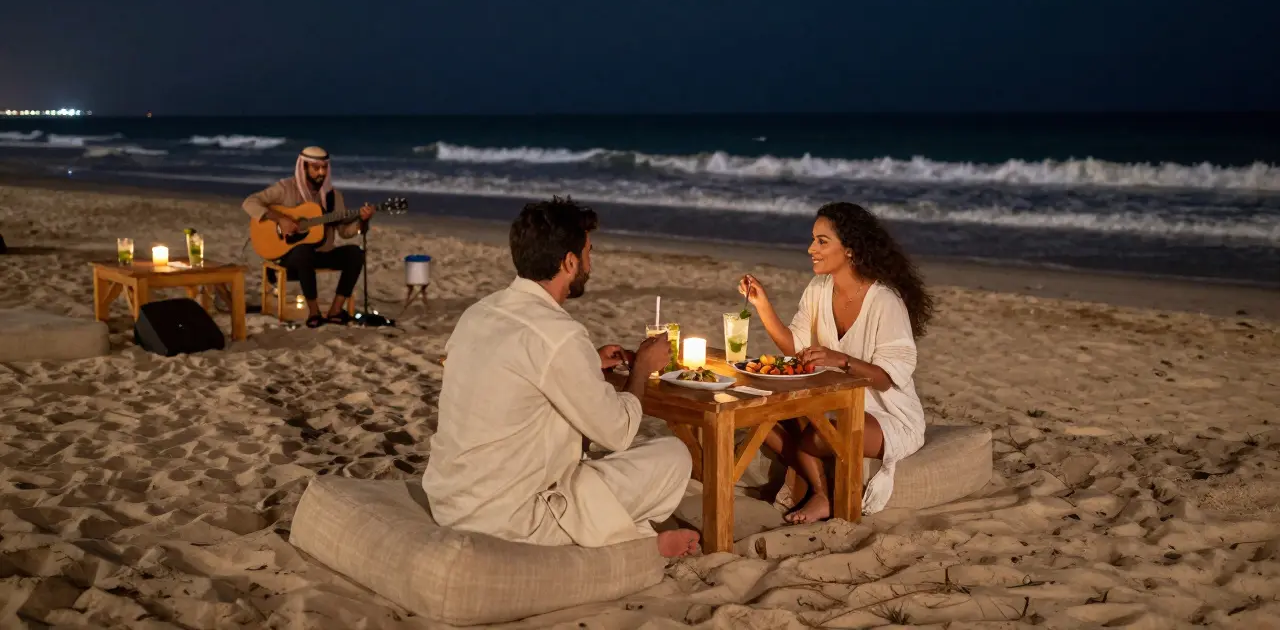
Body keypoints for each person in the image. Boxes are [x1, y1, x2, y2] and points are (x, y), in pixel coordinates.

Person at [423, 197, 700, 558]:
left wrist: (588, 363)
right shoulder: (560, 335)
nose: (590, 264)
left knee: (593, 460)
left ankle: (631, 533)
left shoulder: (479, 312)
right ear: (569, 262)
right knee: (674, 456)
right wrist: (642, 369)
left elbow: (522, 370)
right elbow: (618, 433)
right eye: (588, 253)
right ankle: (639, 546)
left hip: (451, 501)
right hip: (510, 517)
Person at [738, 202, 935, 522]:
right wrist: (763, 306)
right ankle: (822, 492)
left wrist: (841, 360)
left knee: (817, 434)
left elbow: (886, 379)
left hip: (885, 413)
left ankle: (820, 493)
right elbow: (796, 347)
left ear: (850, 249)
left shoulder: (885, 301)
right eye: (813, 239)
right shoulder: (818, 288)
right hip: (830, 403)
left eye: (822, 241)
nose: (811, 249)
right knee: (762, 418)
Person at [242, 146, 375, 327]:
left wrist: (363, 221)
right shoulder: (285, 188)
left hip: (321, 254)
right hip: (290, 258)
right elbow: (249, 202)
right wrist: (280, 219)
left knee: (355, 254)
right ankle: (314, 312)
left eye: (324, 167)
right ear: (303, 167)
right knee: (303, 251)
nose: (321, 173)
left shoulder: (333, 197)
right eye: (316, 168)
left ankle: (336, 310)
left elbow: (345, 232)